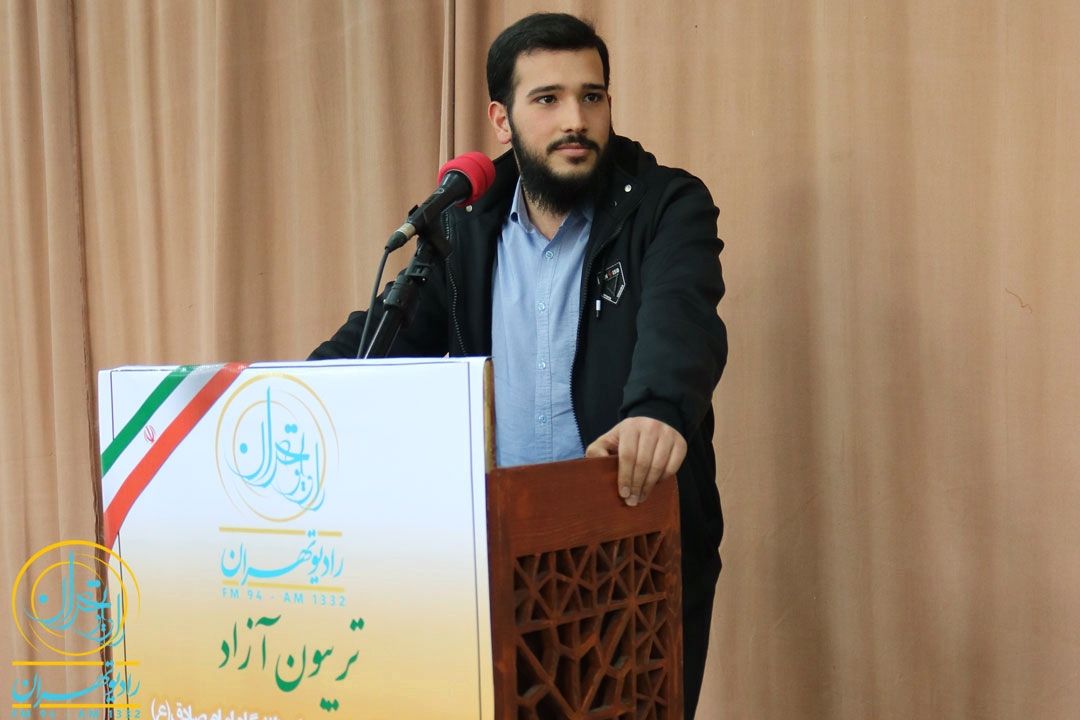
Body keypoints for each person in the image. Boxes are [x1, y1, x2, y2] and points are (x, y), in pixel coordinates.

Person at [310, 12, 727, 717]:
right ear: (501, 120)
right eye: (548, 99)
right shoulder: (464, 223)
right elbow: (386, 333)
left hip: (629, 550)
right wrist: (290, 390)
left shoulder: (665, 205)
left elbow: (681, 319)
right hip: (498, 554)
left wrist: (658, 409)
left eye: (591, 97)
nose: (576, 120)